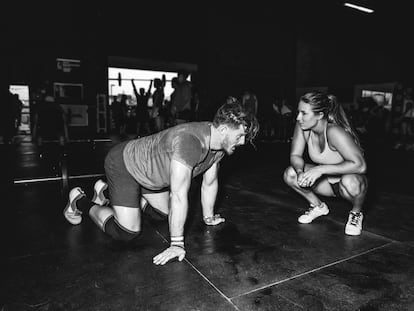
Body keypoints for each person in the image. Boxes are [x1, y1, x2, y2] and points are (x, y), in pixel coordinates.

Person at [63, 99, 259, 265]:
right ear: (224, 129)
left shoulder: (218, 145)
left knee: (164, 213)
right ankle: (79, 201)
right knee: (127, 232)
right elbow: (179, 195)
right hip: (124, 165)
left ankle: (106, 193)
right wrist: (176, 243)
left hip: (150, 177)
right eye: (240, 136)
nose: (242, 142)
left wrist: (208, 217)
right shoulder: (191, 142)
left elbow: (210, 182)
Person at [283, 91, 368, 236]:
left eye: (304, 113)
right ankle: (318, 206)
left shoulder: (334, 132)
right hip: (325, 184)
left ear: (320, 115)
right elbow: (295, 155)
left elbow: (360, 165)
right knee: (290, 174)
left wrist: (321, 170)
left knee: (350, 181)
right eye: (298, 112)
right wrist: (300, 172)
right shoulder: (303, 127)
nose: (298, 117)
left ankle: (356, 213)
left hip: (347, 184)